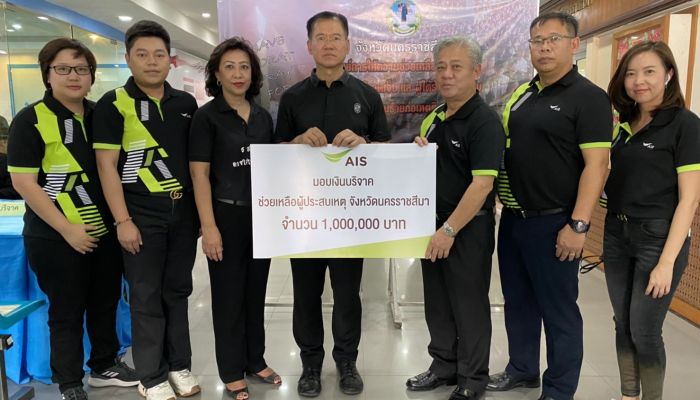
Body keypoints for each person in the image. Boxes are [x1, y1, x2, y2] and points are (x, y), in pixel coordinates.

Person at [488, 12, 611, 400]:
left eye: (553, 39)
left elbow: (598, 165)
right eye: (537, 41)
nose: (544, 47)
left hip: (556, 222)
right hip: (513, 219)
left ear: (574, 44)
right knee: (518, 302)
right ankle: (522, 369)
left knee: (559, 311)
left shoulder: (589, 97)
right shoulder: (523, 93)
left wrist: (578, 225)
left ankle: (559, 389)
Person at [7, 38, 138, 400]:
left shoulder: (100, 115)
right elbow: (24, 183)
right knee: (66, 311)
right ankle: (69, 382)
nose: (74, 76)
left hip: (105, 231)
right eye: (63, 69)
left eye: (82, 69)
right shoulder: (30, 120)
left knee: (105, 303)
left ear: (92, 75)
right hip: (55, 236)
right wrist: (67, 229)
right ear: (47, 74)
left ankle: (104, 365)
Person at [274, 10, 390, 398]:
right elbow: (276, 153)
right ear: (309, 46)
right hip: (304, 217)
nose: (328, 44)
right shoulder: (292, 98)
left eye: (335, 37)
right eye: (320, 38)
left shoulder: (368, 96)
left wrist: (365, 143)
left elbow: (386, 150)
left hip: (350, 218)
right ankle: (310, 364)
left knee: (347, 295)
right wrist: (294, 142)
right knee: (306, 295)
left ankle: (346, 362)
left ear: (347, 44)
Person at [93, 20, 200, 400]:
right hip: (140, 214)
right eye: (142, 54)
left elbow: (193, 164)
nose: (152, 62)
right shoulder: (113, 104)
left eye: (158, 54)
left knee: (178, 291)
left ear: (170, 60)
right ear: (128, 59)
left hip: (182, 214)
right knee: (145, 295)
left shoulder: (185, 104)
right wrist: (122, 220)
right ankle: (151, 376)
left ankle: (179, 365)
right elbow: (106, 166)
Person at [407, 36, 504, 400]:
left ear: (477, 71)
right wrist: (418, 152)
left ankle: (472, 379)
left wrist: (448, 230)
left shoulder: (484, 121)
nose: (446, 74)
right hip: (432, 226)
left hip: (466, 228)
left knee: (469, 304)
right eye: (441, 67)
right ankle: (443, 366)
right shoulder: (434, 118)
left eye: (456, 67)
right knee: (438, 302)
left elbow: (482, 185)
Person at [603, 40, 700, 400]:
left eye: (649, 72)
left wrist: (666, 262)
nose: (638, 81)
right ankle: (629, 395)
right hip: (616, 233)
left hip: (657, 240)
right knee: (622, 324)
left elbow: (689, 200)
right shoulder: (625, 124)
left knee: (645, 330)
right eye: (631, 73)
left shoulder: (685, 125)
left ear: (669, 75)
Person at [189, 37, 279, 400]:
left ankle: (254, 360)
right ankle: (230, 370)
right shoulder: (207, 117)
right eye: (229, 67)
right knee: (228, 296)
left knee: (256, 292)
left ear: (253, 74)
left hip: (261, 215)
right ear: (216, 74)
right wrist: (209, 227)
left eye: (244, 67)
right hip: (224, 215)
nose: (238, 74)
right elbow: (199, 175)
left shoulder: (262, 116)